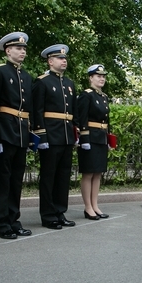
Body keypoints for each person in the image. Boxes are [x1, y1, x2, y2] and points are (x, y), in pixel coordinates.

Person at [0, 32, 34, 240]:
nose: (22, 52)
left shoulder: (26, 76)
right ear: (8, 51)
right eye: (18, 48)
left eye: (24, 49)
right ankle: (2, 224)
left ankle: (14, 220)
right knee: (4, 179)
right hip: (5, 129)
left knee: (16, 179)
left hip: (21, 130)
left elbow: (28, 108)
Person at [32, 44, 78, 230]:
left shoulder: (69, 84)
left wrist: (75, 135)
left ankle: (60, 211)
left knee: (63, 177)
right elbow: (37, 111)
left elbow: (72, 112)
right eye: (60, 58)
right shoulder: (42, 82)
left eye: (65, 58)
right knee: (49, 176)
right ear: (50, 61)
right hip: (50, 135)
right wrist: (41, 135)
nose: (64, 60)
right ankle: (48, 215)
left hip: (66, 135)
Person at [76, 64, 111, 220]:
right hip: (89, 137)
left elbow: (107, 120)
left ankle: (95, 205)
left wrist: (109, 138)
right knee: (88, 173)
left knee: (97, 173)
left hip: (101, 137)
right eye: (98, 76)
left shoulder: (103, 97)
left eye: (103, 76)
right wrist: (84, 138)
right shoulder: (86, 95)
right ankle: (88, 207)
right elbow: (80, 118)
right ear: (90, 78)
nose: (101, 79)